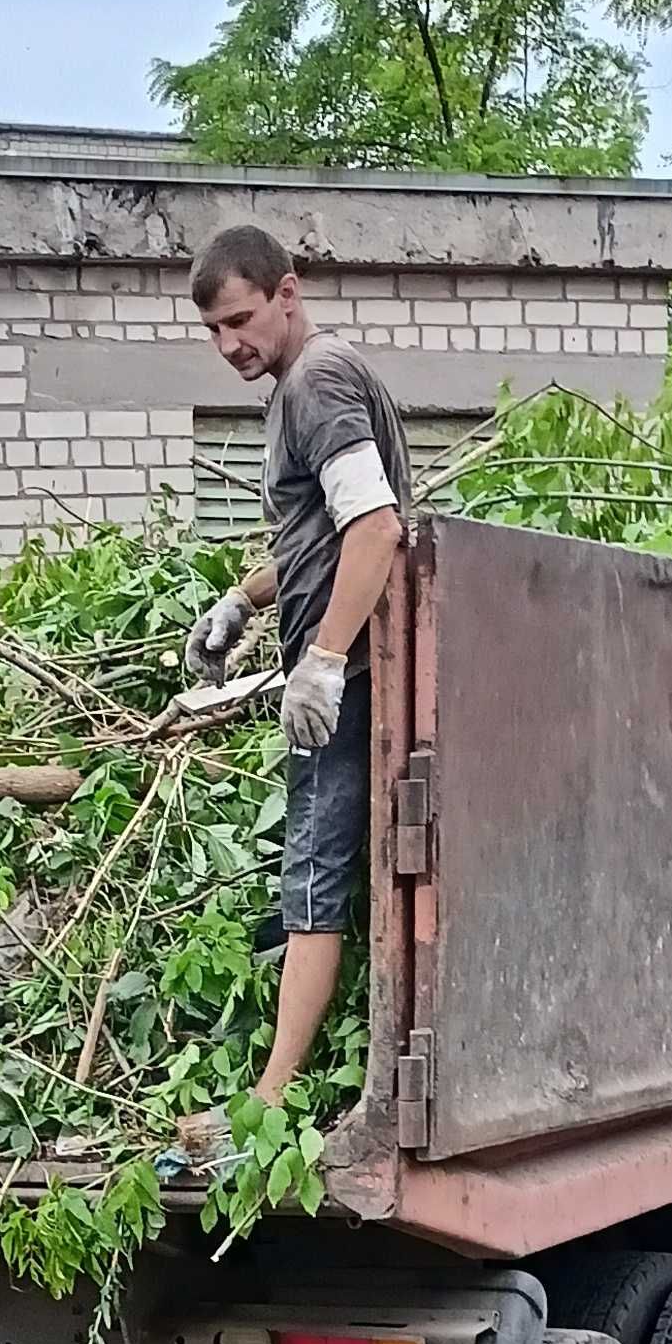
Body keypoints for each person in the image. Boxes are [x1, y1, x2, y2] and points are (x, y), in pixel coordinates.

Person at [184, 224, 411, 1103]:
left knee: (312, 876)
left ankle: (271, 1096)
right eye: (212, 331)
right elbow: (324, 534)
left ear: (288, 291)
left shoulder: (315, 382)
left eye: (241, 319)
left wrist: (322, 661)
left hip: (348, 681)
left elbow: (377, 528)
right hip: (342, 668)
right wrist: (244, 598)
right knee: (316, 866)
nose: (229, 344)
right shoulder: (302, 384)